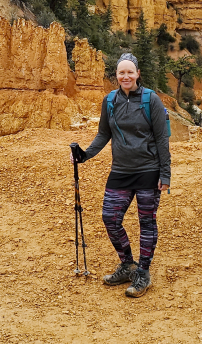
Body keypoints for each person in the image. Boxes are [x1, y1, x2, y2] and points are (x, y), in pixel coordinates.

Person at [70, 52, 170, 298]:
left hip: (148, 170)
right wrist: (85, 155)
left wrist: (165, 175)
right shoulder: (110, 101)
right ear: (116, 75)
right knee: (110, 218)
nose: (125, 76)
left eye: (130, 72)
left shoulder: (151, 100)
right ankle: (127, 265)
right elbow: (104, 134)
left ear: (137, 74)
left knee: (146, 223)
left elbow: (161, 139)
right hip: (121, 171)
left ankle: (143, 273)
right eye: (121, 72)